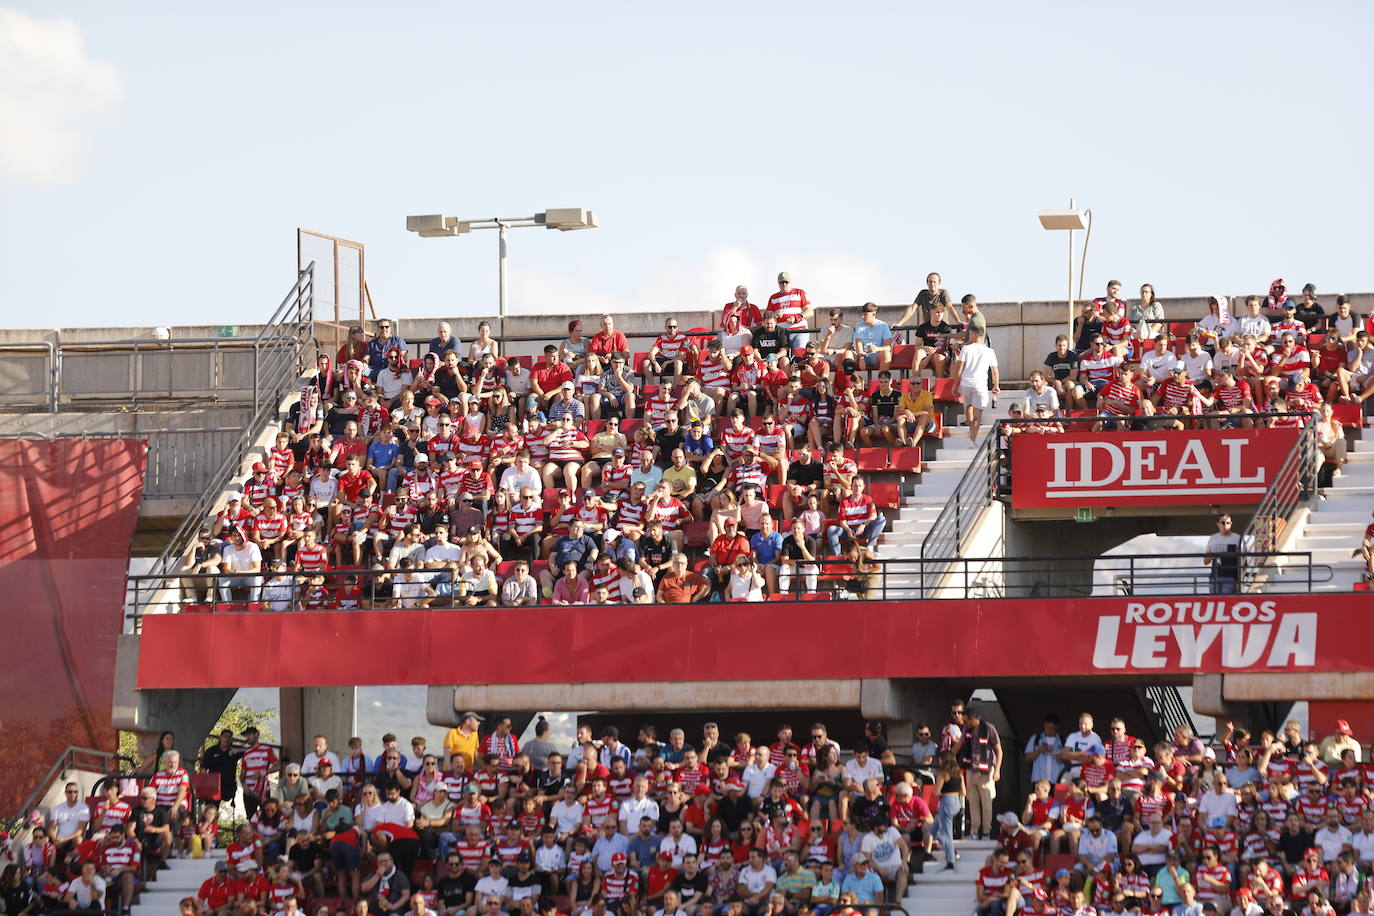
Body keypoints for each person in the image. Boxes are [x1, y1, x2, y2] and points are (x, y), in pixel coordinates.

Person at [957, 705, 1003, 842]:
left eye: (966, 721)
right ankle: (974, 832)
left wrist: (998, 770)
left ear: (975, 719)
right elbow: (960, 744)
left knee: (987, 803)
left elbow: (999, 750)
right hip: (971, 769)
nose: (965, 724)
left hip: (986, 771)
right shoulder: (966, 729)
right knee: (973, 803)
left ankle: (986, 832)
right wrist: (947, 757)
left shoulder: (989, 728)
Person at [951, 329, 1000, 447]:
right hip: (980, 384)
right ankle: (972, 439)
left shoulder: (966, 349)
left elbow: (960, 368)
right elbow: (994, 370)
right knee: (978, 415)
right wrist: (996, 385)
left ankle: (971, 430)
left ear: (973, 334)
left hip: (966, 383)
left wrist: (954, 384)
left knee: (968, 406)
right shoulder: (989, 351)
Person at [1203, 514, 1242, 595]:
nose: (1225, 525)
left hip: (1231, 577)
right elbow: (1205, 561)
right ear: (1218, 524)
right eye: (1223, 523)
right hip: (1215, 577)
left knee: (1226, 599)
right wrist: (1212, 556)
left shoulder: (1237, 538)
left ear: (1231, 524)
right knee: (1214, 601)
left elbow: (1243, 562)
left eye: (1228, 523)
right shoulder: (1213, 538)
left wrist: (1239, 581)